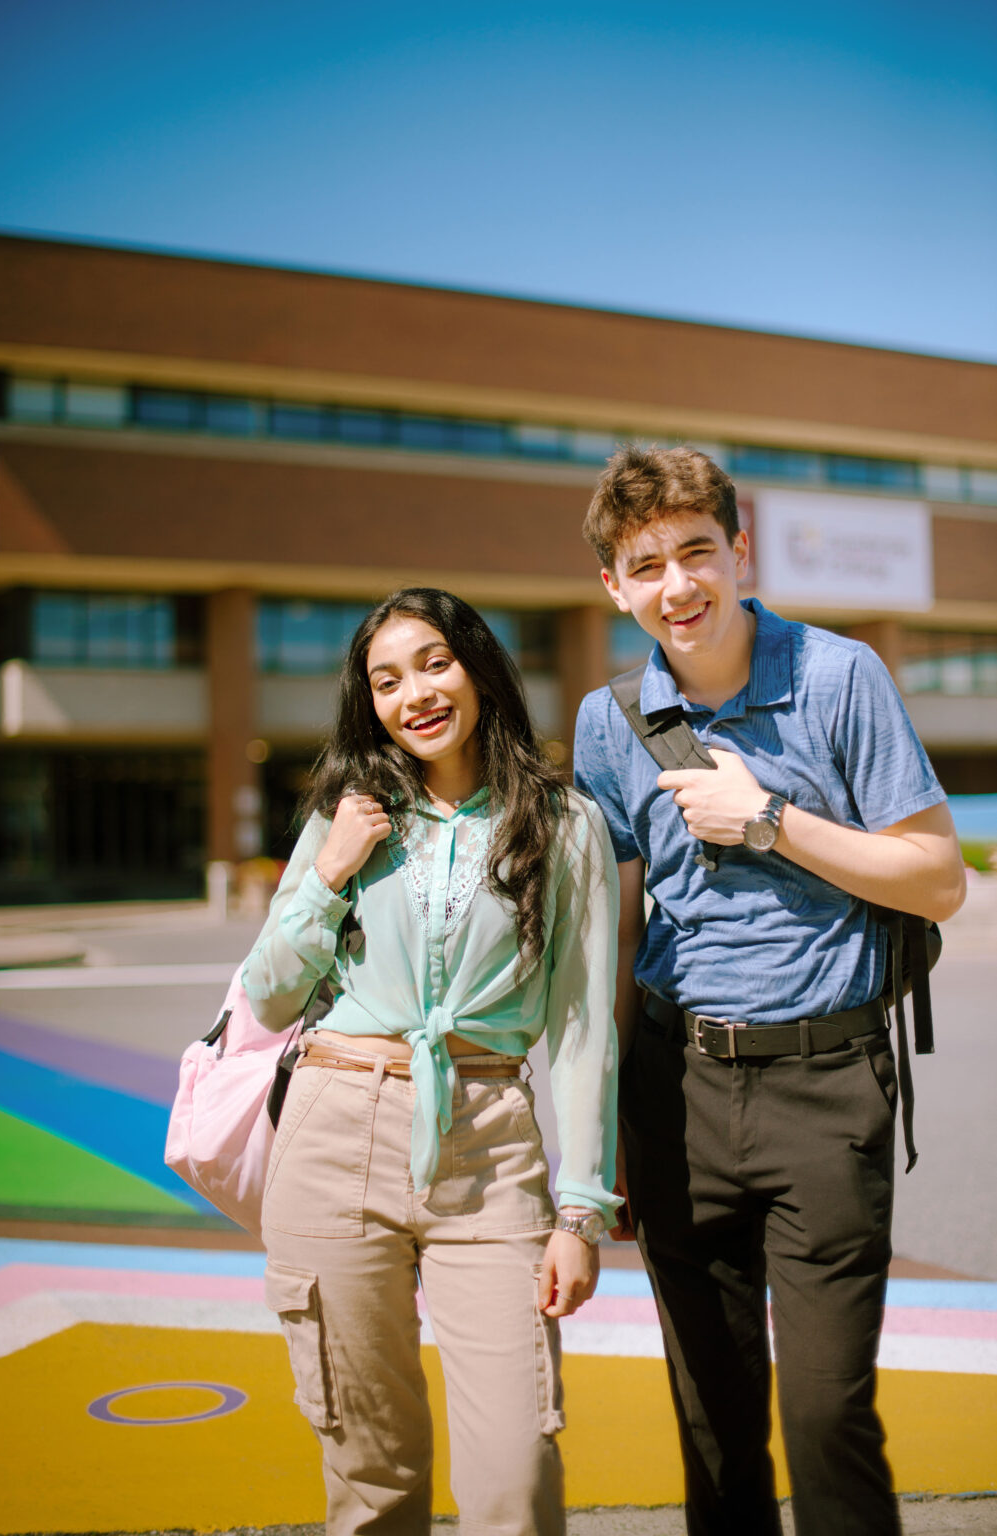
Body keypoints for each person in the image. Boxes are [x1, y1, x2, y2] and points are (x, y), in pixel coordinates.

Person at [573, 445, 966, 1536]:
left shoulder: (839, 678)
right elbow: (612, 931)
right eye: (644, 565)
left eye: (696, 551)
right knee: (709, 1421)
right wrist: (594, 1127)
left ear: (738, 551)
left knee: (826, 1415)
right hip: (675, 1087)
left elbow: (938, 881)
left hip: (826, 1084)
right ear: (614, 585)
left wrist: (767, 822)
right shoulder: (607, 722)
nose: (676, 585)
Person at [243, 587, 620, 1536]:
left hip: (490, 1147)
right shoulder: (346, 815)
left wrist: (581, 1209)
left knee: (513, 1474)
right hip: (333, 1129)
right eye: (385, 680)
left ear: (479, 669)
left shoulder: (564, 825)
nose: (413, 692)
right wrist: (328, 873)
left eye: (433, 663)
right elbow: (269, 995)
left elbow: (581, 1028)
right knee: (371, 1473)